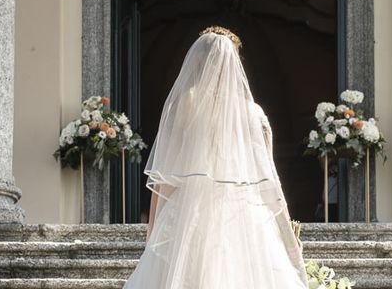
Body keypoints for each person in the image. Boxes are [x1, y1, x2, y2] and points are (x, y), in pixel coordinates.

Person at [123, 26, 308, 288]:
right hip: (244, 213)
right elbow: (270, 182)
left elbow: (166, 175)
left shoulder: (185, 104)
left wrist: (152, 231)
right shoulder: (253, 114)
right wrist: (288, 238)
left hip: (188, 212)